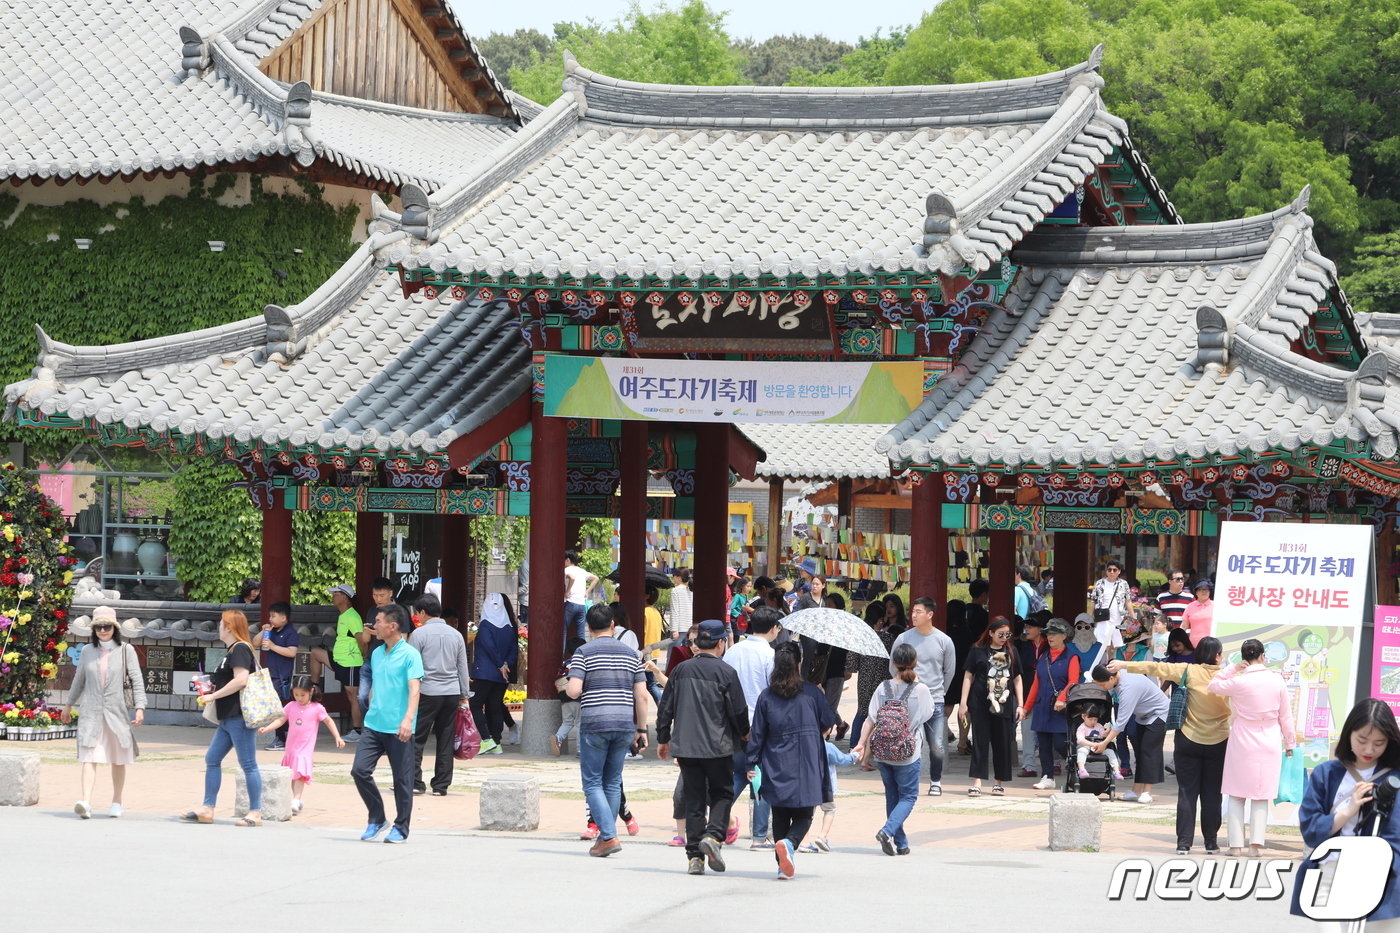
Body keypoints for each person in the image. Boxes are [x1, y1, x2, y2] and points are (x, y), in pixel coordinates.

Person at [1109, 637, 1230, 854]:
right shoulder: (1227, 677)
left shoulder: (1188, 670)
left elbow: (1155, 667)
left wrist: (1124, 664)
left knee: (1187, 792)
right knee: (1212, 794)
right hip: (1219, 741)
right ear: (1218, 656)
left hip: (1188, 739)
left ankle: (1184, 843)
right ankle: (1211, 843)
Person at [1291, 698, 1400, 928]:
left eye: (1379, 743)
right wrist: (1348, 811)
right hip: (1331, 872)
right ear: (1349, 733)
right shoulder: (1326, 773)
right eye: (1362, 740)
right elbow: (1311, 831)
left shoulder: (1395, 779)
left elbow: (1396, 837)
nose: (1369, 749)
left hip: (1380, 877)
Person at [656, 618, 748, 876]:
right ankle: (714, 836)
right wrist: (744, 734)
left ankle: (694, 858)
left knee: (695, 799)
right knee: (721, 794)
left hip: (686, 747)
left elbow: (666, 707)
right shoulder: (726, 672)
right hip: (717, 747)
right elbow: (738, 711)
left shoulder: (681, 670)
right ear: (721, 644)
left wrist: (663, 738)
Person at [745, 642, 837, 879]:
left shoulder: (766, 696)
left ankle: (781, 865)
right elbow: (828, 721)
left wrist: (751, 763)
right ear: (799, 663)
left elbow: (757, 734)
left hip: (776, 760)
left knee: (781, 813)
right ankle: (790, 843)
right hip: (807, 759)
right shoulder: (812, 692)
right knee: (805, 814)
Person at [566, 603, 649, 858]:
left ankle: (609, 836)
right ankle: (606, 837)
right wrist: (642, 729)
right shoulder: (631, 653)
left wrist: (571, 682)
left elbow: (573, 690)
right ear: (613, 625)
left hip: (595, 724)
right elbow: (642, 696)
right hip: (624, 724)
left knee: (592, 782)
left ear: (588, 627)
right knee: (612, 781)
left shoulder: (583, 652)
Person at [1208, 638, 1295, 856]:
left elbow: (1213, 684)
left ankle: (1236, 846)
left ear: (1244, 657)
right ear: (1263, 656)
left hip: (1242, 739)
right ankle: (1256, 846)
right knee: (1261, 794)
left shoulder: (1239, 681)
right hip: (1270, 739)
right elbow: (1286, 716)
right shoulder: (1277, 681)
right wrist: (1290, 743)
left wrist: (1233, 668)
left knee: (1236, 795)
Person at [63, 605, 145, 819]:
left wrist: (140, 708)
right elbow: (79, 679)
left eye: (106, 626)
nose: (102, 630)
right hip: (90, 711)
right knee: (88, 755)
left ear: (115, 628)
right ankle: (86, 802)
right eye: (98, 627)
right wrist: (68, 704)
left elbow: (137, 680)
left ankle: (117, 801)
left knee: (118, 758)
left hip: (116, 711)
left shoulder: (126, 650)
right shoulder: (88, 651)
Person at [853, 642, 935, 855]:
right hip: (908, 752)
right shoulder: (921, 690)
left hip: (883, 751)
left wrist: (861, 744)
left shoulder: (883, 687)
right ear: (915, 663)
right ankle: (887, 830)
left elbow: (870, 719)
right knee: (908, 797)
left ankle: (901, 843)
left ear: (894, 663)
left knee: (892, 795)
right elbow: (928, 714)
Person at [351, 603, 422, 844]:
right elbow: (374, 687)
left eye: (378, 622)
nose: (374, 626)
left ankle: (401, 827)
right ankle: (377, 818)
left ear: (393, 626)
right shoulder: (377, 653)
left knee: (402, 780)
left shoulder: (410, 655)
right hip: (374, 724)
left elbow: (415, 690)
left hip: (399, 727)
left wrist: (408, 719)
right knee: (359, 770)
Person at [185, 610, 262, 826]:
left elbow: (241, 680)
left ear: (229, 627)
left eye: (221, 624)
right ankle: (207, 808)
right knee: (212, 759)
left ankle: (256, 812)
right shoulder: (232, 651)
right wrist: (211, 689)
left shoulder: (239, 649)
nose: (219, 627)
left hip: (239, 715)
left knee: (248, 763)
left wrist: (213, 695)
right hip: (228, 717)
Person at [724, 605, 780, 849]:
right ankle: (759, 835)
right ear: (774, 628)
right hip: (760, 724)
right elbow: (773, 690)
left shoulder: (732, 651)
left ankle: (717, 817)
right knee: (760, 778)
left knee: (737, 774)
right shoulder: (769, 656)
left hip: (733, 723)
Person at [890, 596, 956, 796]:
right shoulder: (903, 638)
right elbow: (893, 667)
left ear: (930, 614)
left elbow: (949, 671)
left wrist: (940, 692)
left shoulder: (944, 641)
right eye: (913, 611)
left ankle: (935, 781)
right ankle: (907, 782)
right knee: (906, 741)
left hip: (934, 700)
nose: (914, 615)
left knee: (936, 745)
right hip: (908, 700)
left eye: (918, 612)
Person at [407, 593, 471, 795]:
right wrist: (464, 695)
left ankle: (415, 781)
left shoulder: (419, 634)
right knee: (446, 738)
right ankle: (441, 785)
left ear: (423, 612)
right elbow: (462, 667)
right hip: (452, 692)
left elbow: (412, 666)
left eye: (418, 613)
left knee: (417, 738)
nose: (417, 617)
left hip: (427, 692)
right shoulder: (456, 634)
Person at [255, 675, 344, 813]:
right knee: (292, 774)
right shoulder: (291, 706)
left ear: (311, 692)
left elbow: (329, 721)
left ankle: (296, 799)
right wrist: (266, 728)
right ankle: (297, 799)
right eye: (296, 694)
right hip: (291, 747)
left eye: (303, 695)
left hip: (305, 749)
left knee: (300, 772)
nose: (299, 698)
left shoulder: (317, 708)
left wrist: (337, 737)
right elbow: (280, 720)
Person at [960, 618, 1024, 796]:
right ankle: (977, 782)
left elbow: (1017, 679)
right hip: (980, 702)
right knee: (980, 741)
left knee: (1002, 742)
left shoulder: (1012, 651)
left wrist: (1021, 704)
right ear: (990, 633)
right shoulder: (977, 651)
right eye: (1000, 634)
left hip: (1003, 703)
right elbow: (968, 676)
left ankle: (998, 782)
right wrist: (963, 703)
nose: (1004, 638)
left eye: (1007, 634)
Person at [1091, 663, 1169, 804]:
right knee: (1140, 752)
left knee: (1148, 752)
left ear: (1111, 679)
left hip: (1159, 715)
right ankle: (1136, 791)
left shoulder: (1128, 688)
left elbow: (1121, 722)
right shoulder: (1119, 677)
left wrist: (1104, 743)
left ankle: (1147, 792)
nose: (1102, 688)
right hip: (1143, 716)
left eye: (1102, 685)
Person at [1022, 618, 1080, 789]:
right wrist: (1027, 707)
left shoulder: (1072, 657)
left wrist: (1063, 698)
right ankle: (1047, 776)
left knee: (1060, 743)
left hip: (1060, 708)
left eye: (1054, 634)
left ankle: (1077, 768)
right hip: (1042, 705)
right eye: (1048, 634)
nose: (1050, 637)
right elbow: (1036, 683)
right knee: (1044, 743)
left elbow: (1073, 681)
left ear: (1064, 636)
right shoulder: (1044, 656)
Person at [313, 583, 365, 742]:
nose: (333, 597)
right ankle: (314, 687)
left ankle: (357, 731)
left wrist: (362, 657)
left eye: (335, 594)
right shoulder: (343, 615)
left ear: (344, 597)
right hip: (339, 660)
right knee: (316, 653)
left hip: (351, 662)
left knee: (352, 696)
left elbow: (361, 639)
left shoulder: (352, 616)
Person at [850, 601, 899, 759]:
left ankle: (854, 746)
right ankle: (878, 749)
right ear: (880, 620)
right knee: (882, 715)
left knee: (862, 712)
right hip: (883, 682)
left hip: (864, 680)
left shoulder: (860, 638)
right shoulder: (888, 639)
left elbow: (851, 665)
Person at [470, 593, 518, 756]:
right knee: (495, 706)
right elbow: (513, 649)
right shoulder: (509, 626)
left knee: (475, 704)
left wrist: (499, 664)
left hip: (484, 672)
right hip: (501, 676)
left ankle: (485, 739)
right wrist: (505, 665)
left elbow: (488, 646)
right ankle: (496, 742)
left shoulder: (485, 625)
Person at [256, 600, 299, 750]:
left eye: (273, 616)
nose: (270, 619)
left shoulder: (290, 632)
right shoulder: (271, 631)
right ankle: (281, 737)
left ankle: (281, 738)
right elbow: (255, 643)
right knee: (275, 708)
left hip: (282, 676)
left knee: (280, 709)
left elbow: (292, 652)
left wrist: (273, 646)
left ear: (284, 617)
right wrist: (263, 631)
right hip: (271, 674)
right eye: (270, 616)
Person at [807, 732, 858, 852]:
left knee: (807, 814)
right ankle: (822, 836)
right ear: (828, 730)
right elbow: (843, 760)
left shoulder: (806, 746)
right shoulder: (828, 747)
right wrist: (854, 755)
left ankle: (805, 839)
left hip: (809, 785)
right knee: (829, 809)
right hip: (825, 786)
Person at [1014, 614, 1047, 777]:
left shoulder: (1049, 645)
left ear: (1041, 629)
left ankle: (1054, 762)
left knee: (1050, 728)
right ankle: (1029, 765)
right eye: (1026, 626)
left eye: (1031, 627)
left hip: (1047, 693)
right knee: (1027, 729)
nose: (1027, 629)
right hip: (1027, 692)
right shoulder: (1020, 646)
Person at [553, 636, 586, 755]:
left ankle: (557, 738)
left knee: (567, 722)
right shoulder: (583, 662)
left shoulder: (565, 663)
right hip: (578, 697)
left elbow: (558, 678)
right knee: (579, 723)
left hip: (564, 697)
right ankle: (580, 749)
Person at [1090, 560, 1131, 650]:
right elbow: (1093, 600)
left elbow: (1128, 601)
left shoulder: (1123, 584)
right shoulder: (1100, 583)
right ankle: (1105, 663)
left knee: (1120, 645)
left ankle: (1116, 663)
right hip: (1103, 617)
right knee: (1103, 645)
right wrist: (1089, 617)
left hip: (1119, 618)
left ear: (1119, 571)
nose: (1112, 572)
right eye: (1109, 570)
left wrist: (1133, 617)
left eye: (1114, 570)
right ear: (1106, 571)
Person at [564, 549, 598, 647]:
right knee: (581, 634)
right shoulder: (582, 571)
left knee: (563, 631)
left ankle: (560, 658)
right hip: (581, 605)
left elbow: (572, 578)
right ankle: (582, 657)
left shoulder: (566, 570)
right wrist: (587, 591)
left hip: (570, 603)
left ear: (568, 560)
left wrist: (567, 591)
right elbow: (596, 578)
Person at [1183, 580, 1213, 645]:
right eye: (1201, 589)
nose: (1204, 591)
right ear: (1196, 592)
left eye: (1206, 589)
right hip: (1193, 644)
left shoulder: (1215, 606)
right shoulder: (1190, 606)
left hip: (1212, 644)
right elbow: (1184, 626)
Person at [668, 567, 693, 639]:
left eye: (674, 576)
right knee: (687, 650)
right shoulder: (691, 590)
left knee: (673, 650)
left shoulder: (675, 591)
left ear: (679, 578)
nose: (673, 578)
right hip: (690, 627)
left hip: (679, 628)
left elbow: (674, 611)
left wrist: (674, 630)